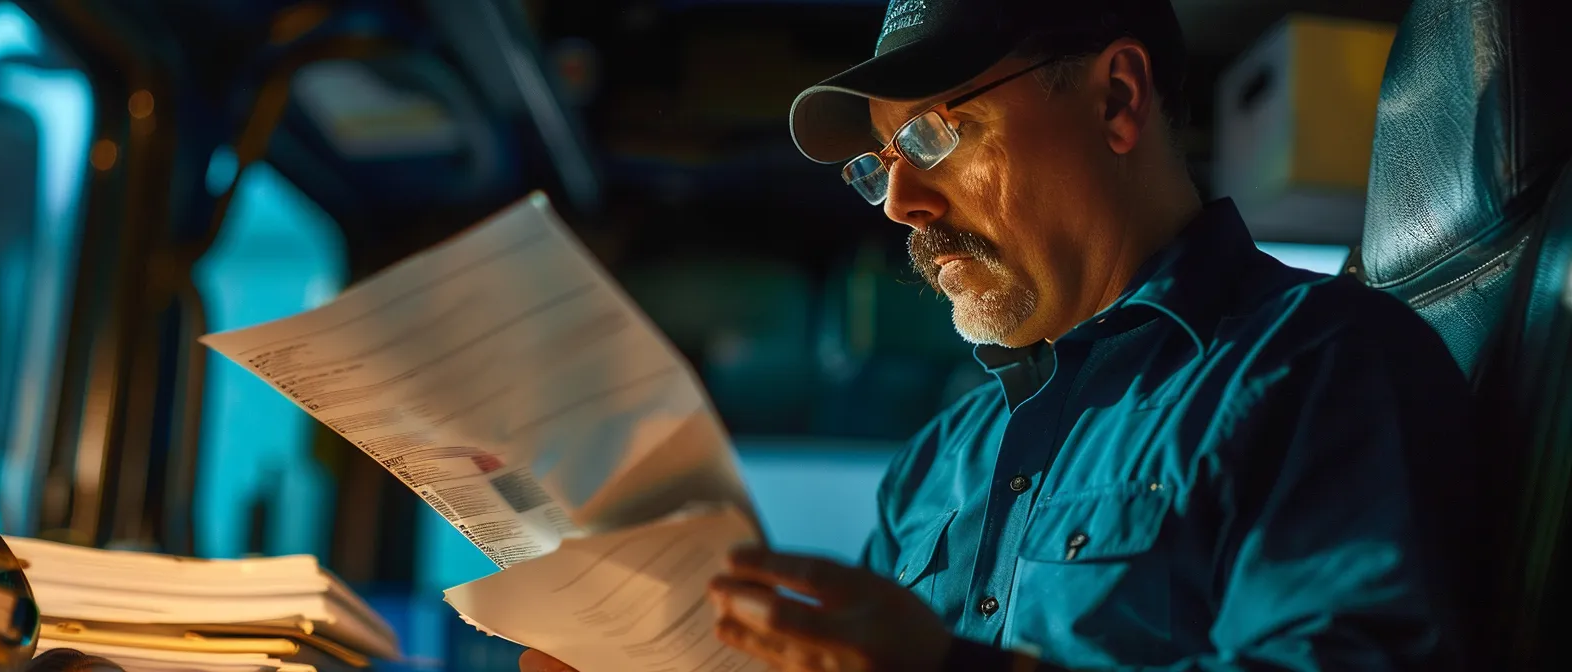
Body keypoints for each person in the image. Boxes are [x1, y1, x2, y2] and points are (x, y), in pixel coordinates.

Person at [524, 0, 1478, 670]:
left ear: (1116, 99)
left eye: (938, 135)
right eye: (878, 164)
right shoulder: (938, 462)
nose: (899, 201)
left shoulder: (1319, 364)